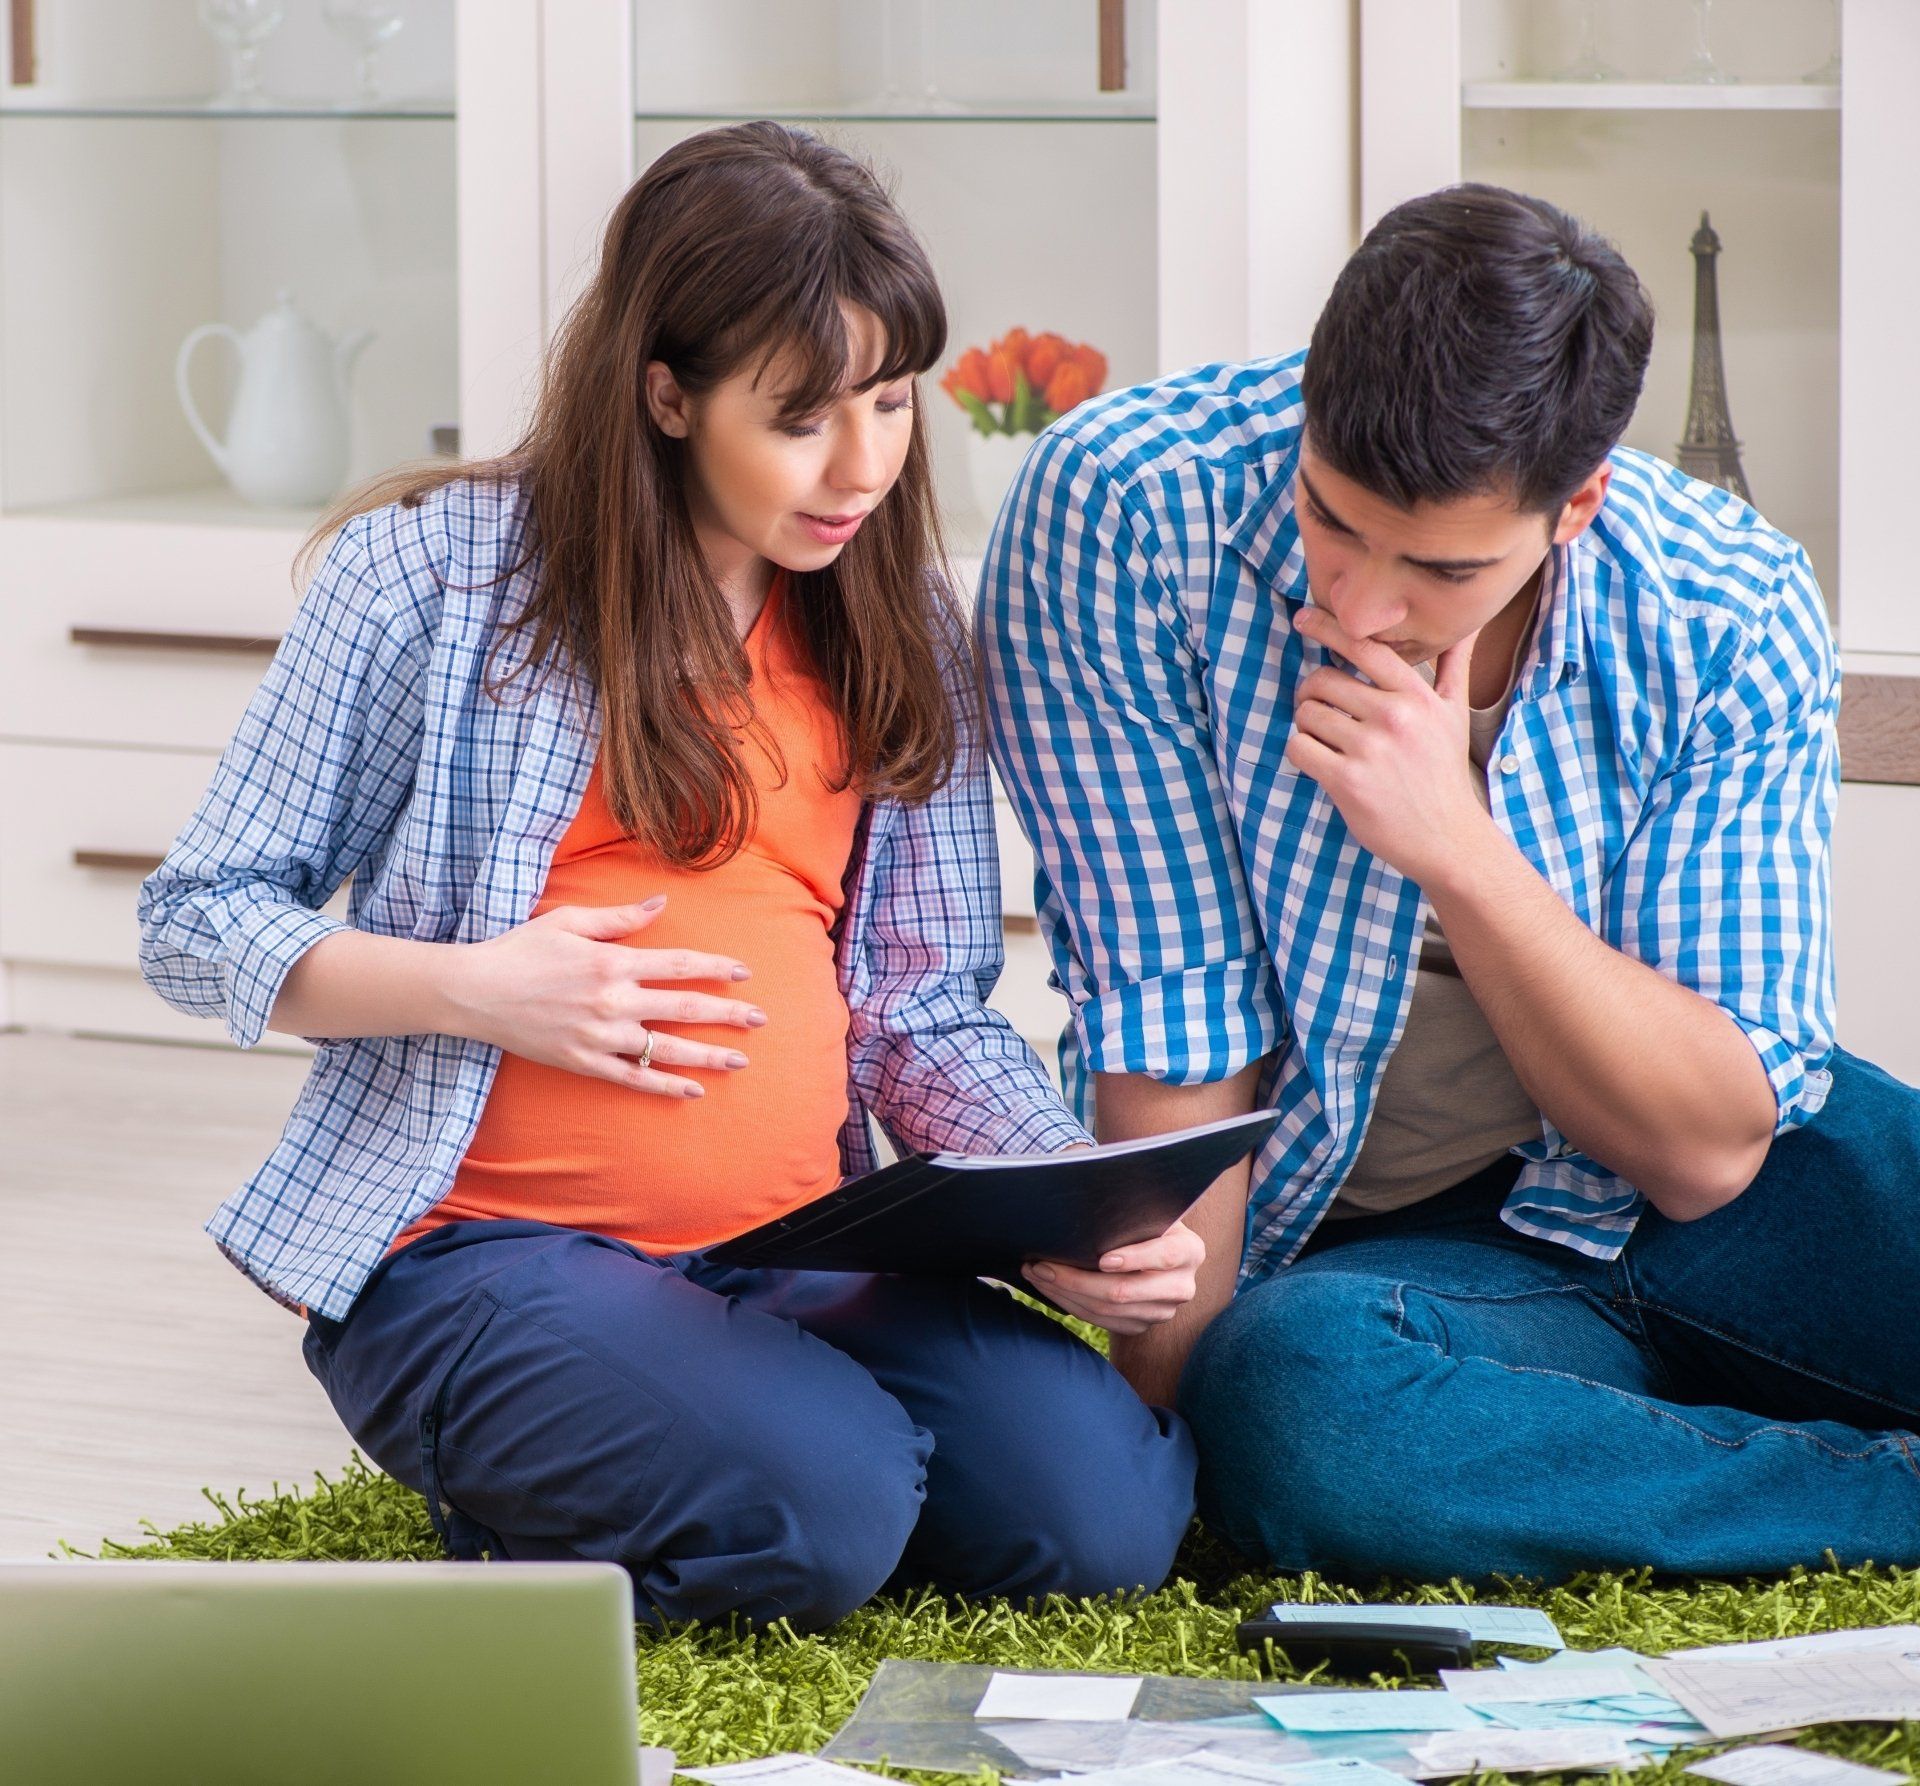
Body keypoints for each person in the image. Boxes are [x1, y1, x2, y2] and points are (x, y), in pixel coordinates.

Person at [137, 121, 1199, 1630]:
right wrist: (480, 990)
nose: (863, 467)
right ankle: (560, 1497)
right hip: (473, 1257)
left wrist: (1056, 1211)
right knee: (831, 1500)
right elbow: (196, 920)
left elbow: (921, 1006)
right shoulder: (432, 581)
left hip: (793, 1249)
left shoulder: (895, 619)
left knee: (1106, 1512)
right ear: (668, 393)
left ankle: (730, 1440)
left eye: (892, 405)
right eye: (801, 419)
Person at [979, 183, 1920, 1583]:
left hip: (1702, 1181)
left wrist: (1462, 849)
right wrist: (1157, 1469)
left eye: (1441, 567)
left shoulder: (1728, 602)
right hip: (1390, 1263)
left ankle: (1578, 1454)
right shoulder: (1123, 513)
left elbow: (1711, 1144)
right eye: (1331, 521)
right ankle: (1860, 1496)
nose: (1356, 607)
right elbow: (1174, 1031)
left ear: (1578, 504)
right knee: (1295, 1415)